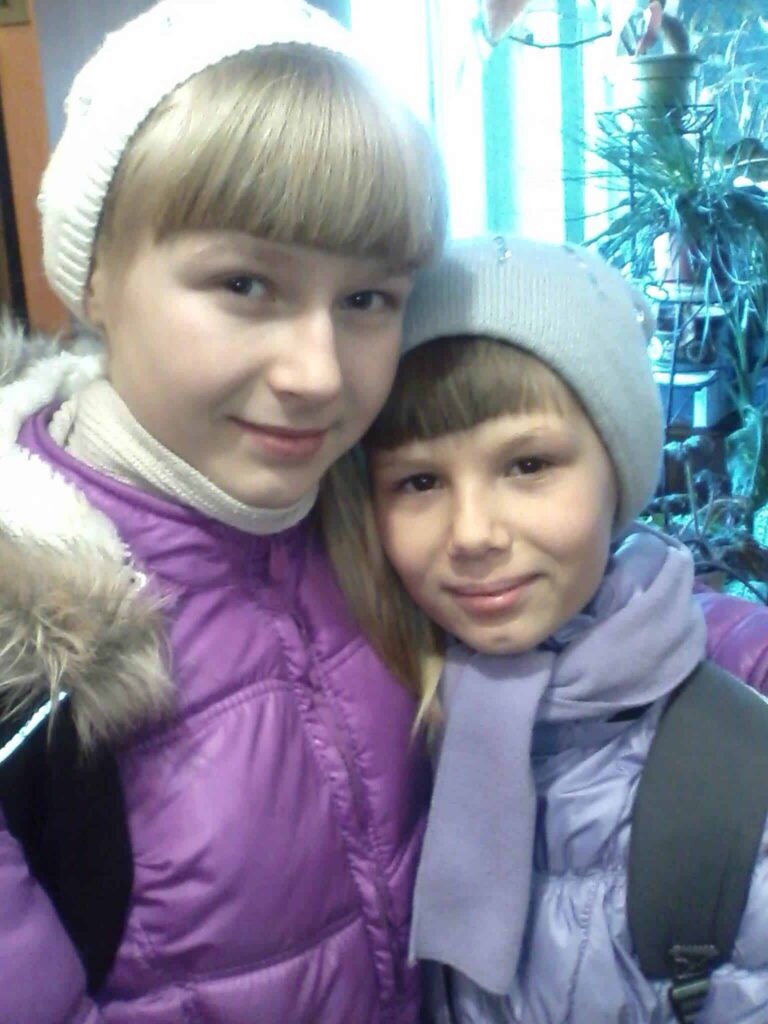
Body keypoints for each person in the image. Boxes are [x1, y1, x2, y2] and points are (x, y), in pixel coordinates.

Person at [0, 2, 447, 1021]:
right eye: (246, 283)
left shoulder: (376, 505)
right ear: (96, 276)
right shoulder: (23, 656)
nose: (317, 374)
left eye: (368, 299)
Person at [325, 235, 768, 1023]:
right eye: (419, 480)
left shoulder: (735, 778)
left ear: (617, 473)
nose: (473, 533)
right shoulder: (386, 719)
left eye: (527, 465)